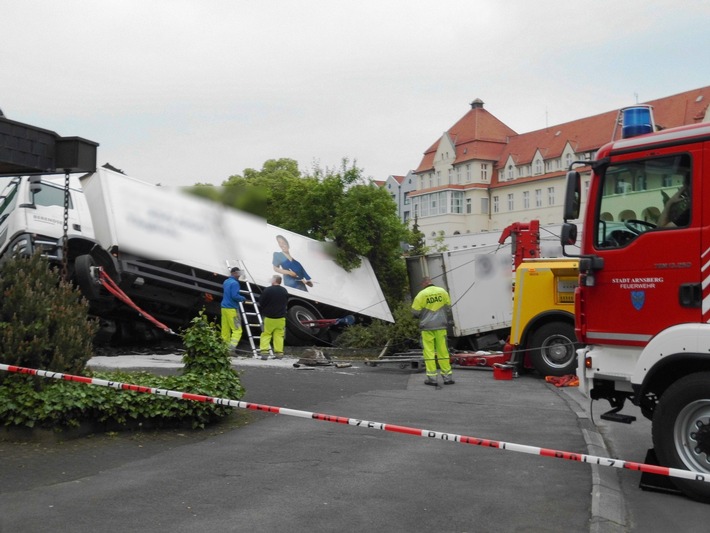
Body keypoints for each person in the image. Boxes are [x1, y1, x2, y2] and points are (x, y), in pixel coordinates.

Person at [411, 277, 455, 386]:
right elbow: (449, 309)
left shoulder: (421, 295)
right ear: (430, 281)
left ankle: (432, 379)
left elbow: (415, 313)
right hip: (441, 327)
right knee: (443, 351)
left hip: (427, 328)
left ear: (423, 283)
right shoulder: (442, 292)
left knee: (429, 352)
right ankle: (447, 378)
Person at [258, 275, 290, 360]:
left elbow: (261, 302)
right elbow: (286, 302)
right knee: (279, 336)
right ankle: (279, 353)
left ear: (274, 280)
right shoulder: (284, 290)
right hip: (281, 318)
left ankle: (264, 353)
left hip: (269, 317)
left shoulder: (268, 290)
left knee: (266, 334)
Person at [221, 267, 246, 352]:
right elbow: (234, 296)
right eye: (238, 274)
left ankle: (224, 348)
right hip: (232, 309)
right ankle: (231, 349)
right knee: (237, 330)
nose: (239, 276)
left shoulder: (226, 281)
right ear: (234, 273)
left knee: (225, 330)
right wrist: (243, 298)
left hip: (224, 308)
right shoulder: (235, 283)